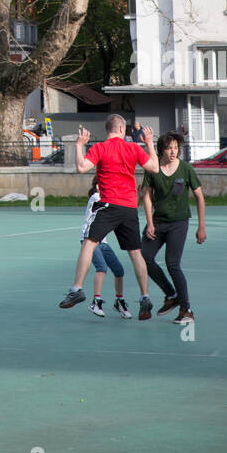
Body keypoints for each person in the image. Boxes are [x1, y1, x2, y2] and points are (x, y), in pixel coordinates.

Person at [59, 114, 159, 319]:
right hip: (129, 207)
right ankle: (145, 296)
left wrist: (80, 145)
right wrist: (149, 143)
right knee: (135, 252)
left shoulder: (100, 148)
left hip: (108, 204)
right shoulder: (133, 148)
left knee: (89, 243)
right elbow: (155, 168)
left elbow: (81, 168)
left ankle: (77, 289)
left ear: (108, 130)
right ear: (122, 130)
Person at [140, 131, 206, 324]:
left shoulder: (185, 169)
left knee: (172, 263)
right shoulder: (153, 169)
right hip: (158, 222)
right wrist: (150, 223)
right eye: (169, 148)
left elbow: (200, 197)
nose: (173, 151)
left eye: (176, 148)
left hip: (179, 223)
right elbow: (146, 197)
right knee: (143, 257)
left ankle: (187, 310)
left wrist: (201, 226)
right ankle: (171, 294)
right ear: (161, 150)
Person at [81, 179, 132, 319]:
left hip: (102, 241)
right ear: (97, 186)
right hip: (89, 240)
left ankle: (119, 301)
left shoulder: (107, 197)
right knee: (102, 267)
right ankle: (96, 301)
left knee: (119, 270)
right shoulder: (96, 197)